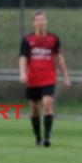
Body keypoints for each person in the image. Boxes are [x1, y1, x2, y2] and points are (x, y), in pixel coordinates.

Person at [18, 10, 70, 147]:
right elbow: (23, 57)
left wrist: (66, 77)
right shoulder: (27, 40)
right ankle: (38, 137)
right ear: (34, 22)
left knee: (47, 104)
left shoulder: (53, 39)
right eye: (38, 20)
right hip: (33, 79)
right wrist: (23, 72)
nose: (40, 22)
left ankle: (47, 137)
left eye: (42, 20)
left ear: (46, 22)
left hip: (49, 78)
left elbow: (60, 59)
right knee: (34, 108)